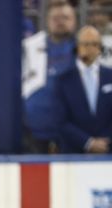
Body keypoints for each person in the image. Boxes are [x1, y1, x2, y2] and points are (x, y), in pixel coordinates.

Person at [22, 1, 77, 153]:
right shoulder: (29, 46)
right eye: (56, 18)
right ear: (47, 21)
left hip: (70, 133)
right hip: (34, 131)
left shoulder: (81, 48)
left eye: (65, 17)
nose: (60, 21)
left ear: (74, 21)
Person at [53, 25, 112, 153]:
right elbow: (60, 120)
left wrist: (105, 142)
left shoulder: (110, 76)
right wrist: (88, 143)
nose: (90, 48)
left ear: (100, 47)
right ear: (77, 46)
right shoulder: (63, 79)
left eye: (94, 44)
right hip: (74, 153)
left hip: (108, 152)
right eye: (85, 44)